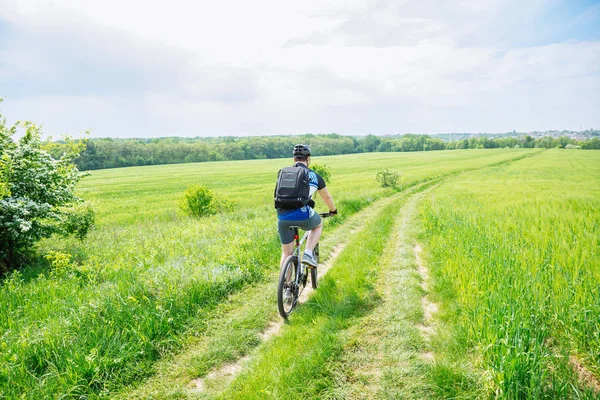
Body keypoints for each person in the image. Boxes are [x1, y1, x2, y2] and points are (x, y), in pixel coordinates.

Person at [276, 144, 337, 269]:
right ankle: (308, 253)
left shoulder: (283, 173)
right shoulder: (314, 176)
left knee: (286, 253)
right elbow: (327, 198)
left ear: (294, 160)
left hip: (282, 217)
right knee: (318, 224)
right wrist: (333, 210)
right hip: (303, 215)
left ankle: (287, 286)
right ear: (308, 159)